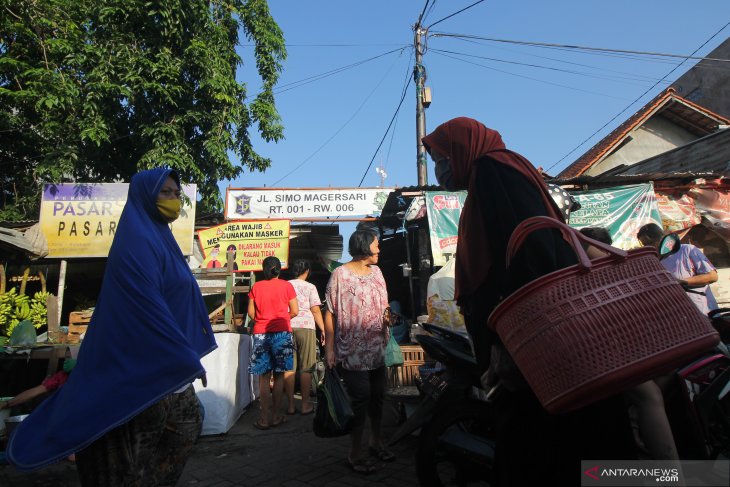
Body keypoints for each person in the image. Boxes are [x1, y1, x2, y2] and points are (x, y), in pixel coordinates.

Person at [422, 117, 635, 485]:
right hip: (543, 349)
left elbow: (532, 259)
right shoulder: (496, 174)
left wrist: (511, 344)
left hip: (536, 354)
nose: (438, 169)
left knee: (539, 453)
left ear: (463, 148)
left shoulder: (493, 171)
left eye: (441, 157)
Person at [8, 168, 217, 486]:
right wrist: (184, 358)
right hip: (135, 371)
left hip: (167, 371)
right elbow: (148, 307)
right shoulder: (136, 241)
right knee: (125, 464)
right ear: (146, 196)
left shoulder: (164, 241)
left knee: (183, 431)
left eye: (177, 194)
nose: (174, 200)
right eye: (166, 193)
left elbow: (180, 301)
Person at [580, 227, 679, 460]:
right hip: (607, 349)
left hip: (618, 344)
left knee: (665, 374)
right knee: (649, 397)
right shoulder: (597, 262)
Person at [324, 229, 394, 474]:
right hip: (352, 352)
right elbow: (330, 313)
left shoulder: (377, 273)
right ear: (365, 247)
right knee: (361, 399)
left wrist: (387, 319)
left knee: (378, 397)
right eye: (376, 245)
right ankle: (355, 453)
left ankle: (376, 442)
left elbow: (384, 304)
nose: (379, 249)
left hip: (377, 349)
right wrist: (329, 349)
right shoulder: (339, 275)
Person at [247, 256, 298, 430]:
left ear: (264, 269)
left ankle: (264, 419)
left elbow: (251, 314)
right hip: (282, 334)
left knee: (263, 377)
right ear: (279, 268)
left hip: (261, 333)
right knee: (279, 376)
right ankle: (276, 416)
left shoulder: (256, 287)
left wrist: (263, 319)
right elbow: (295, 310)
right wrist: (283, 318)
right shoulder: (287, 286)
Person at [637, 222, 718, 314]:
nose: (648, 247)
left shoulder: (687, 250)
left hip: (703, 311)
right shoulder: (653, 261)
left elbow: (712, 276)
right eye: (645, 244)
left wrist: (682, 282)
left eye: (650, 243)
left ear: (662, 238)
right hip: (678, 315)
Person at [285, 259, 325, 416]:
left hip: (287, 326)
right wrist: (323, 329)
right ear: (307, 271)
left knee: (289, 367)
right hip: (306, 327)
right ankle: (305, 405)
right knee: (306, 367)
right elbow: (315, 310)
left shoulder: (285, 285)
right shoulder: (310, 287)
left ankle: (290, 406)